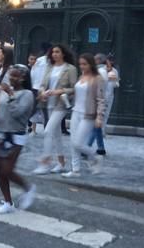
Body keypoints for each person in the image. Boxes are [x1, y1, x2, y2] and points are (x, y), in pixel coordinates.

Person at [0, 65, 36, 214]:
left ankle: (28, 188)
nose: (12, 79)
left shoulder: (27, 94)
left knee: (7, 170)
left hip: (16, 135)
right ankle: (7, 201)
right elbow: (2, 111)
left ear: (24, 78)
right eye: (11, 75)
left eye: (16, 76)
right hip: (1, 133)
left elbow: (18, 113)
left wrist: (10, 94)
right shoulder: (6, 93)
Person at [33, 44, 77, 174]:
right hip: (49, 104)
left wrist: (59, 91)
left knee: (47, 131)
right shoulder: (49, 67)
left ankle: (45, 163)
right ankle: (61, 163)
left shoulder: (70, 69)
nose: (54, 54)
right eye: (53, 52)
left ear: (63, 53)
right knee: (57, 135)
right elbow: (42, 85)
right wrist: (42, 93)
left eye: (57, 52)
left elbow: (74, 88)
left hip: (61, 104)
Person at [62, 53, 106, 178]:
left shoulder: (98, 78)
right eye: (80, 64)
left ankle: (96, 157)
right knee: (73, 142)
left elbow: (101, 100)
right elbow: (78, 92)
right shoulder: (81, 76)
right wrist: (68, 96)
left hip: (89, 114)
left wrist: (99, 117)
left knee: (78, 143)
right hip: (76, 111)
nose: (82, 66)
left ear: (91, 64)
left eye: (85, 64)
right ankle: (75, 170)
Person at [87, 53, 110, 155]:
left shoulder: (100, 72)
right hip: (98, 100)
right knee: (97, 126)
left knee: (95, 125)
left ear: (98, 61)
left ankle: (87, 146)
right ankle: (101, 147)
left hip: (97, 101)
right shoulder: (102, 71)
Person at [28, 44, 50, 135]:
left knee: (38, 109)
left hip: (38, 87)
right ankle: (42, 129)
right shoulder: (43, 61)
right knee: (41, 109)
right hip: (40, 88)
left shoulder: (40, 61)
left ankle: (34, 128)